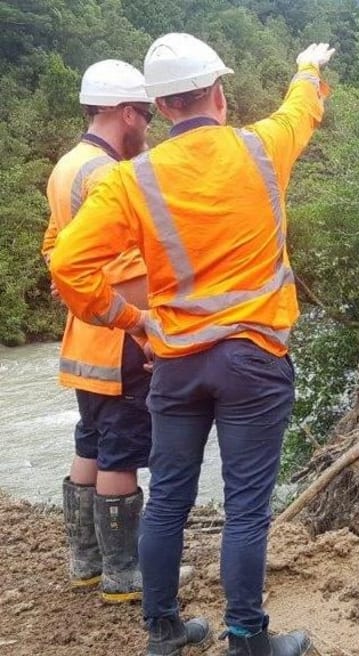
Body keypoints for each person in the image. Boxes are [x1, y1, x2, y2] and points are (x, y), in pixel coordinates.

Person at [50, 33, 335, 656]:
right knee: (246, 505)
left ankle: (164, 633)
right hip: (253, 361)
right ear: (218, 95)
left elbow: (69, 267)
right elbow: (300, 107)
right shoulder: (261, 148)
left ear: (163, 106)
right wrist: (308, 67)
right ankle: (248, 640)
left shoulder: (130, 180)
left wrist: (130, 319)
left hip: (175, 361)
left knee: (169, 501)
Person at [42, 59, 162, 604]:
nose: (146, 127)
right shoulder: (110, 175)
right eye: (143, 115)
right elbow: (136, 265)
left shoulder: (66, 167)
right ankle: (124, 575)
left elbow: (55, 252)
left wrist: (69, 288)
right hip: (119, 338)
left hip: (84, 339)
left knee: (90, 441)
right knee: (121, 450)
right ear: (123, 111)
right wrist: (147, 328)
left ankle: (85, 564)